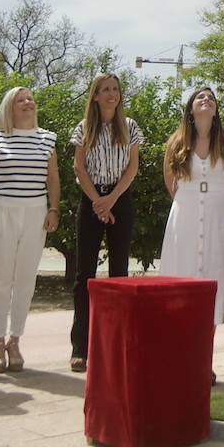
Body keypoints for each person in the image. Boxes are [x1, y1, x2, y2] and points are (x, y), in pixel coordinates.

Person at [0, 86, 59, 374]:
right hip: (1, 211)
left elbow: (53, 177)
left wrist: (53, 208)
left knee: (25, 279)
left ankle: (15, 340)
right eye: (21, 100)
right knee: (1, 280)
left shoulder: (47, 139)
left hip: (34, 213)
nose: (27, 103)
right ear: (9, 107)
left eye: (30, 99)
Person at [69, 73, 143, 372]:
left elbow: (133, 167)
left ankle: (115, 344)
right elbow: (79, 166)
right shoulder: (83, 128)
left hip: (119, 200)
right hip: (91, 201)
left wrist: (110, 200)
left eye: (115, 89)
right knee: (83, 276)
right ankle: (80, 347)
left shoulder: (130, 127)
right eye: (105, 90)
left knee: (118, 275)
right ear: (95, 96)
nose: (111, 94)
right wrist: (97, 202)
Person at [160, 86, 224, 383]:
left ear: (216, 110)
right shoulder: (177, 143)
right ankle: (180, 356)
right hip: (186, 215)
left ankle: (205, 360)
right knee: (182, 282)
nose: (206, 100)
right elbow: (171, 181)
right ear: (191, 109)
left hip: (218, 216)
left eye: (211, 98)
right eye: (199, 98)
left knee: (213, 284)